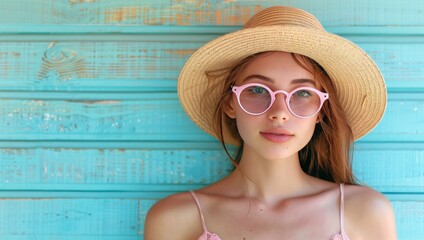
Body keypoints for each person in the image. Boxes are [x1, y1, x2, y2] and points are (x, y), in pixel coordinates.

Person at [144, 6, 397, 240]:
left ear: (321, 111)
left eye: (303, 93)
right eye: (257, 89)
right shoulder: (174, 219)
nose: (279, 113)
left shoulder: (366, 213)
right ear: (230, 104)